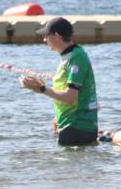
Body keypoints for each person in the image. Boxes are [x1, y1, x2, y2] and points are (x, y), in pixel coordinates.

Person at [20, 17, 99, 147]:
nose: (44, 40)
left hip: (77, 127)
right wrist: (58, 117)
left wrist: (41, 89)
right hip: (71, 125)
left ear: (57, 36)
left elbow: (70, 97)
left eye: (46, 36)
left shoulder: (76, 57)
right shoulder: (68, 56)